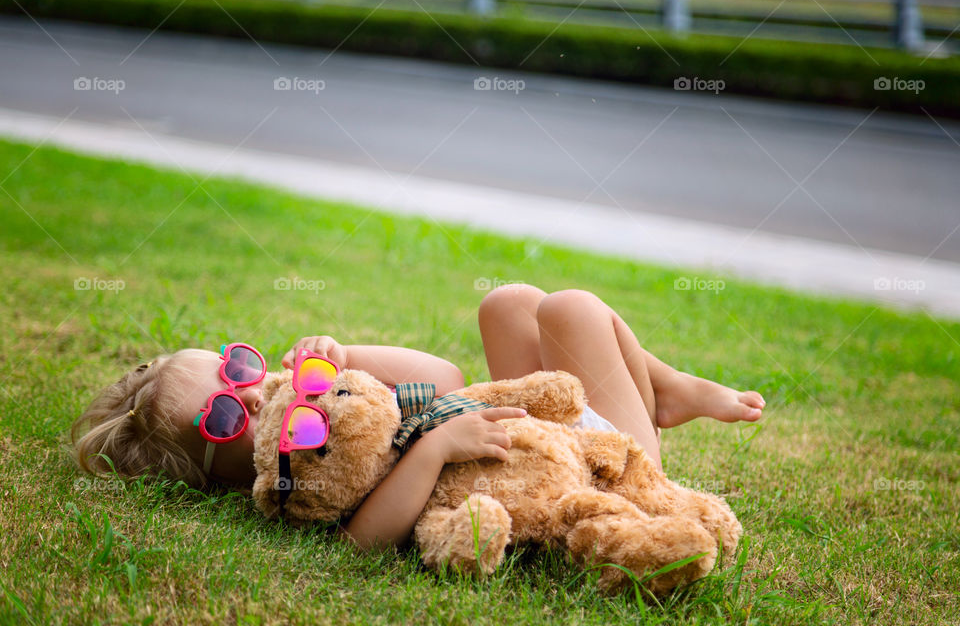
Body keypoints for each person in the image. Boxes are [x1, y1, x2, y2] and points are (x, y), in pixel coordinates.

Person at [72, 285, 764, 549]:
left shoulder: (335, 404)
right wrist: (432, 448)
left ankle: (660, 388)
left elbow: (446, 380)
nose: (250, 395)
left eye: (238, 368)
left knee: (510, 303)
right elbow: (364, 543)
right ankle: (660, 398)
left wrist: (345, 354)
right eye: (223, 414)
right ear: (219, 465)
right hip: (598, 465)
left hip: (533, 428)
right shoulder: (297, 481)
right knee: (571, 310)